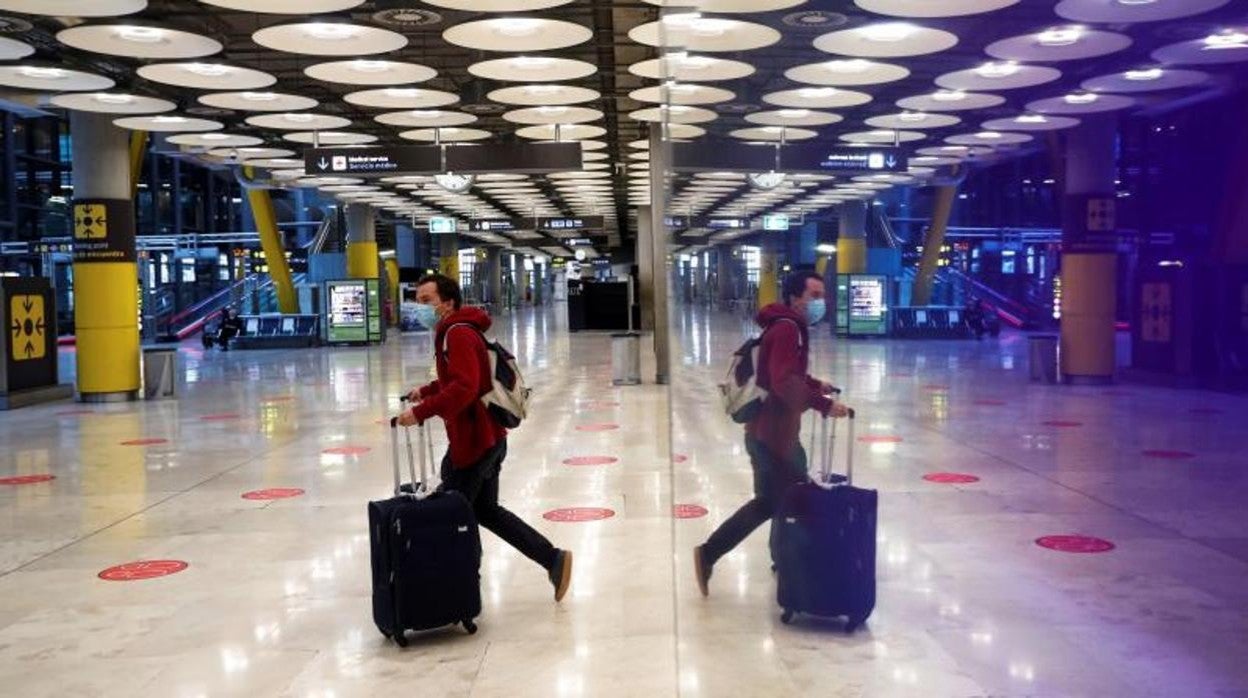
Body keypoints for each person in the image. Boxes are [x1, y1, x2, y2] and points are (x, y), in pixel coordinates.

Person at [397, 274, 574, 602]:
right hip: (488, 439)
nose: (419, 308)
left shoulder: (457, 334)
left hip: (473, 444)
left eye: (426, 301)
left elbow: (465, 388)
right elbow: (466, 380)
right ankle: (552, 559)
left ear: (447, 303)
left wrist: (421, 413)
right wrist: (428, 391)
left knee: (452, 516)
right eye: (417, 300)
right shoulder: (459, 330)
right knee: (485, 511)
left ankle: (460, 591)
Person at [693, 270, 849, 596]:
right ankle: (730, 555)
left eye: (823, 295)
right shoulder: (789, 330)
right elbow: (782, 382)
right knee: (792, 499)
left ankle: (751, 557)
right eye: (815, 295)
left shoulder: (784, 326)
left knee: (775, 501)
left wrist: (814, 384)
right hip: (774, 437)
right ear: (795, 297)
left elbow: (784, 374)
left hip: (767, 433)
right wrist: (822, 403)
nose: (821, 302)